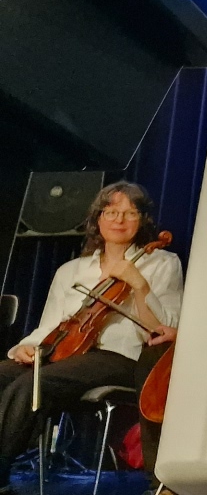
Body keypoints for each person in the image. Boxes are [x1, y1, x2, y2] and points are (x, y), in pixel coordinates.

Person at [0, 182, 182, 488]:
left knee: (34, 383)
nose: (119, 220)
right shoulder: (71, 270)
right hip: (64, 352)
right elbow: (49, 325)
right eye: (111, 212)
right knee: (5, 374)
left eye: (130, 213)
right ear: (98, 218)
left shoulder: (163, 263)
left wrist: (139, 285)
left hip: (119, 357)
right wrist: (25, 347)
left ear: (143, 220)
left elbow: (162, 329)